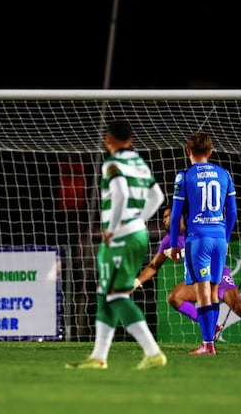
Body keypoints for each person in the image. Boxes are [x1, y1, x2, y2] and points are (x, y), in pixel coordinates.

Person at [66, 120, 167, 370]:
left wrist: (115, 227)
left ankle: (153, 351)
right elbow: (158, 197)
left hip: (121, 237)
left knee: (116, 294)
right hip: (136, 233)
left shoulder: (112, 163)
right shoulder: (139, 163)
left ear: (107, 139)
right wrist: (139, 219)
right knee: (105, 293)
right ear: (131, 140)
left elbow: (120, 192)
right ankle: (99, 356)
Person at [133, 207, 241, 343]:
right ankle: (212, 325)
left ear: (179, 217)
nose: (163, 220)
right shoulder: (169, 240)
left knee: (238, 306)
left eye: (166, 216)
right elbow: (153, 266)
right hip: (199, 280)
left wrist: (182, 253)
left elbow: (218, 248)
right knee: (175, 297)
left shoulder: (196, 229)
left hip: (217, 276)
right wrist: (136, 283)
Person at [168, 132, 238, 355]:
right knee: (214, 290)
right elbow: (233, 213)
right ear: (210, 152)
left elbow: (176, 215)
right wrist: (225, 239)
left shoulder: (184, 176)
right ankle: (209, 342)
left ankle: (208, 345)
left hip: (197, 238)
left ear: (188, 151)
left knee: (203, 292)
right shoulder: (224, 174)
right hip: (219, 237)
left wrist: (174, 244)